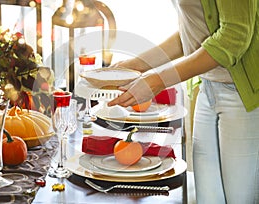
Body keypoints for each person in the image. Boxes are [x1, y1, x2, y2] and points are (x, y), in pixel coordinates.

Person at [107, 0, 259, 203]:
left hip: (243, 94)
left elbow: (234, 37)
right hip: (208, 88)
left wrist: (158, 80)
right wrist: (134, 66)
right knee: (208, 198)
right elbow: (192, 33)